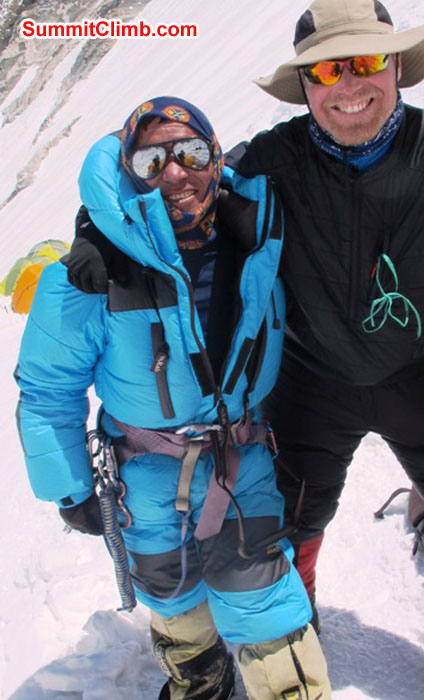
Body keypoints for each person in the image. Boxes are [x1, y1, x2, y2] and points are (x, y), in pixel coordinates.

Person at [62, 1, 424, 696]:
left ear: (396, 65)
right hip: (310, 381)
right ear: (304, 84)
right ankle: (288, 622)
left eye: (365, 62)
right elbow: (174, 191)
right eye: (325, 70)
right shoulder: (271, 163)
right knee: (287, 509)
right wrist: (93, 233)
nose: (347, 85)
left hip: (417, 374)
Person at [15, 96, 331, 700]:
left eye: (189, 152)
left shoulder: (260, 240)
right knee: (168, 589)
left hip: (243, 461)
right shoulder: (87, 275)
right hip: (144, 475)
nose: (175, 173)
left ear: (215, 157)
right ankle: (199, 676)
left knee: (260, 592)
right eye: (151, 161)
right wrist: (71, 487)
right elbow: (48, 390)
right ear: (128, 173)